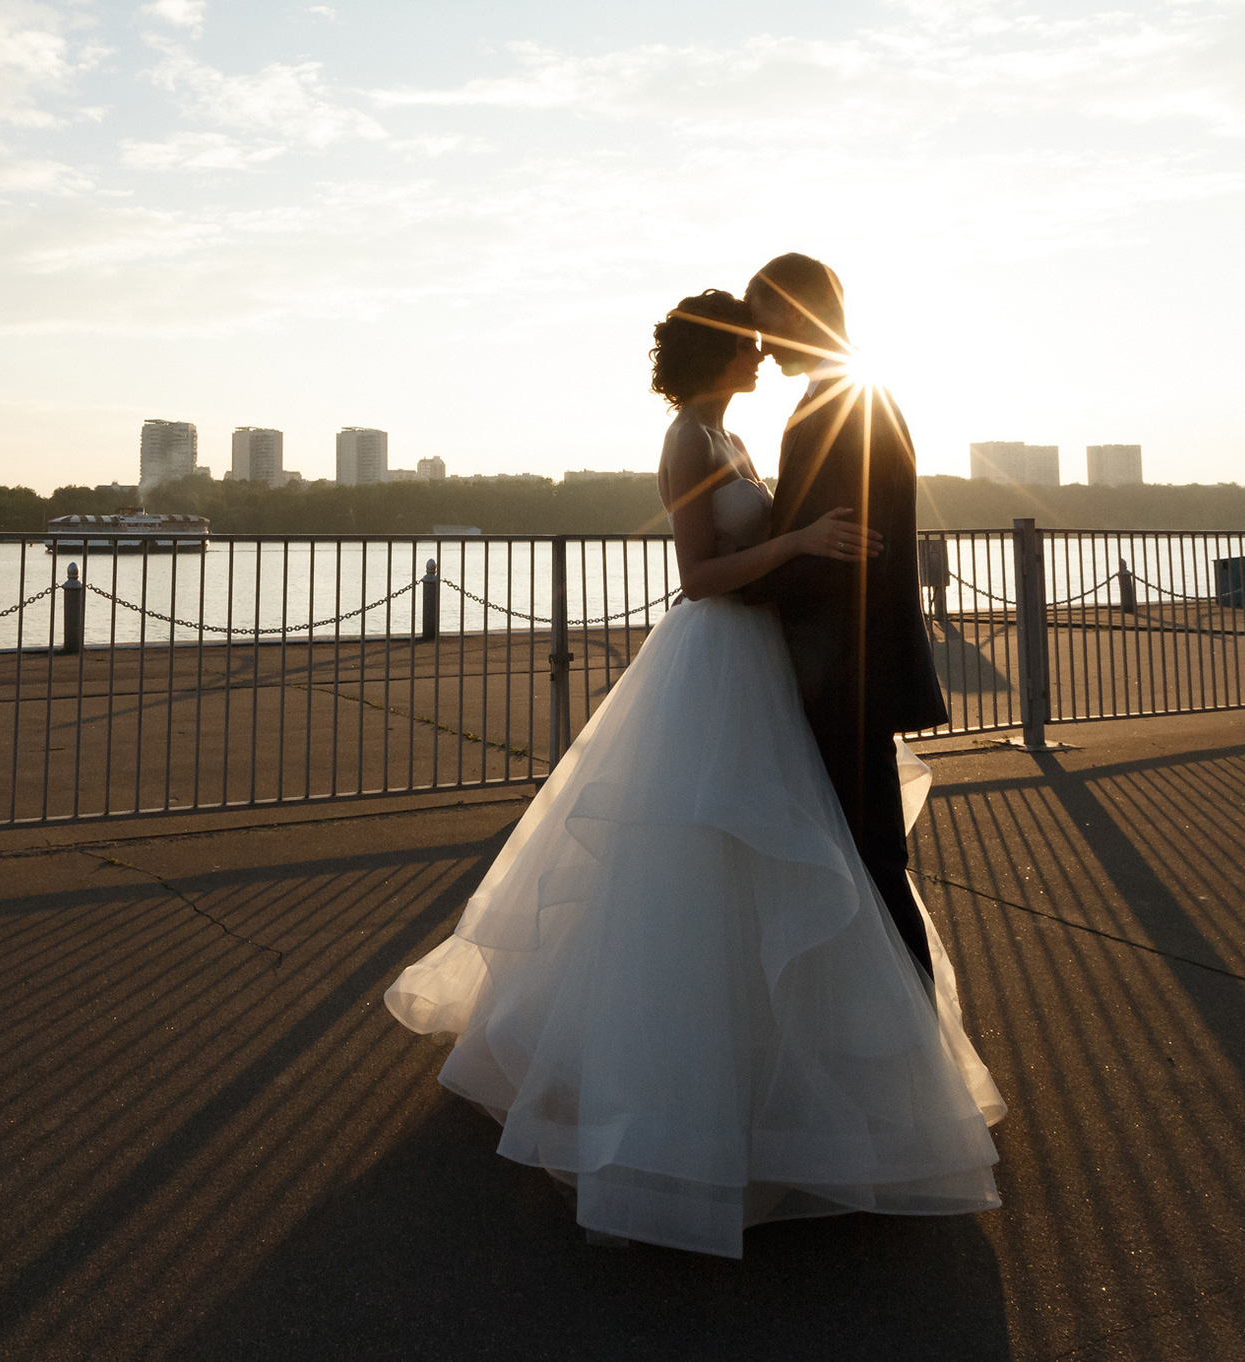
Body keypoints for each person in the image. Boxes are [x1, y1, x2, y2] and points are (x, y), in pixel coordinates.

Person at [384, 289, 1004, 1258]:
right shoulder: (686, 438)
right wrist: (799, 542)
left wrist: (800, 550)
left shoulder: (729, 433)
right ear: (717, 357)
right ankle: (684, 1108)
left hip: (756, 664)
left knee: (764, 869)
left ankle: (771, 1087)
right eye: (747, 347)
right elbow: (698, 574)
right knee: (693, 879)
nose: (763, 357)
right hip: (713, 656)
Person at [739, 253, 951, 978]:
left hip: (844, 673)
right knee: (861, 858)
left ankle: (910, 1055)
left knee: (865, 861)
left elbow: (837, 553)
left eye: (765, 326)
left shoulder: (842, 406)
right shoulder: (853, 395)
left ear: (798, 314)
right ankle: (887, 1047)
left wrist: (724, 586)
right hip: (849, 669)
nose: (761, 345)